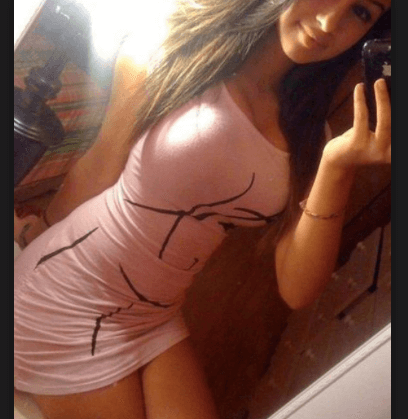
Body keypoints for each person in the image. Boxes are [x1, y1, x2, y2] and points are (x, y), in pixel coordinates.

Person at [14, 0, 391, 418]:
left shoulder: (309, 136)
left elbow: (296, 288)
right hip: (67, 292)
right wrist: (35, 231)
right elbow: (99, 165)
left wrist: (337, 167)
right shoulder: (173, 47)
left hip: (153, 316)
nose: (328, 21)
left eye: (361, 11)